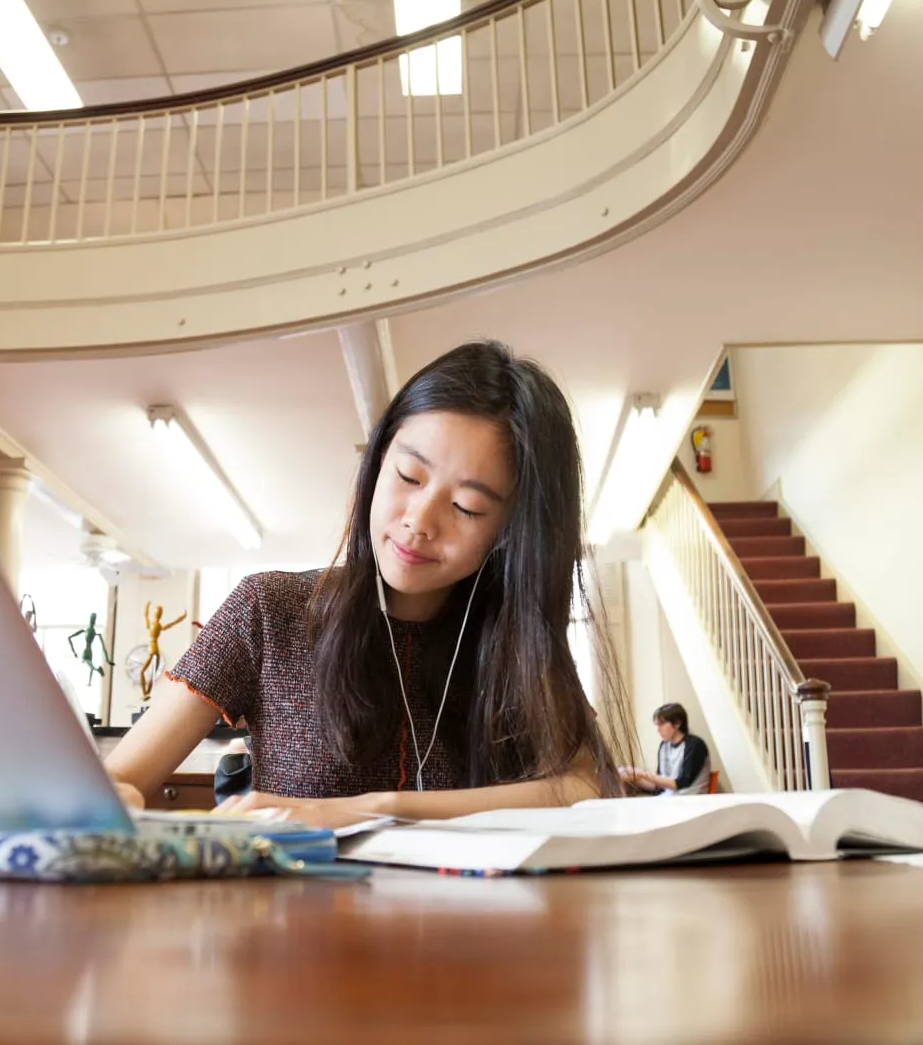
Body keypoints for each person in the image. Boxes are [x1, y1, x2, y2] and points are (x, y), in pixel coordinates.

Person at [106, 340, 635, 829]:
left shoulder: (514, 638)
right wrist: (114, 804)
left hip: (469, 926)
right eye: (408, 477)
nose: (419, 521)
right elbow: (118, 780)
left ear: (511, 531)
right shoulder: (269, 609)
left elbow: (588, 785)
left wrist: (377, 808)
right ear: (378, 462)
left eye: (467, 507)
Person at [623, 703, 710, 795]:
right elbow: (659, 785)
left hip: (689, 800)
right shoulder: (664, 745)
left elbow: (681, 784)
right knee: (623, 776)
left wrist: (643, 774)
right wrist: (634, 776)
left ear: (677, 723)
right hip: (667, 798)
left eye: (662, 724)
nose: (658, 729)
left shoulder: (695, 745)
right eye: (657, 725)